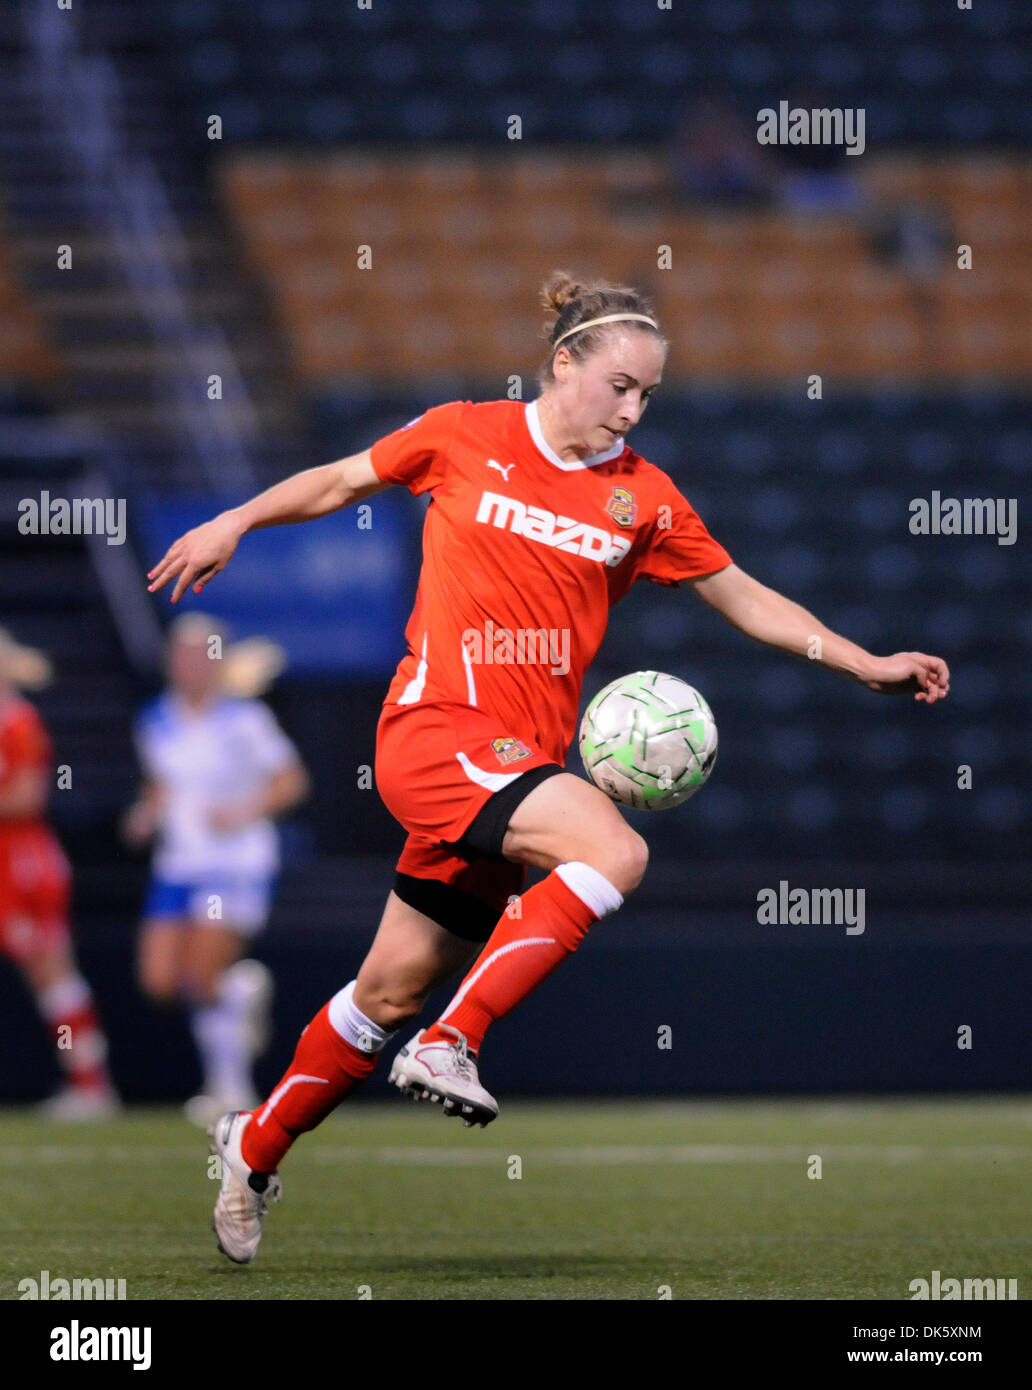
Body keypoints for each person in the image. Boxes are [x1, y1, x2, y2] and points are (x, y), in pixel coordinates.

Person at [147, 271, 950, 1263]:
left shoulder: (642, 498)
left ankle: (253, 1144)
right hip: (433, 730)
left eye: (647, 394)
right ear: (563, 362)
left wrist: (864, 659)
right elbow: (343, 479)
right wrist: (238, 520)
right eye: (619, 384)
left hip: (516, 774)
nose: (631, 407)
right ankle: (455, 1041)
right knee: (613, 849)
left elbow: (744, 597)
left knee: (388, 993)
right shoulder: (462, 433)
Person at [123, 614, 309, 1127]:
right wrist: (147, 813)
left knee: (199, 976)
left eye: (198, 653)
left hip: (234, 865)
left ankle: (228, 1087)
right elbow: (162, 786)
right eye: (179, 654)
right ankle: (242, 990)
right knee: (161, 981)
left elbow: (290, 782)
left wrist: (244, 811)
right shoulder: (155, 720)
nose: (187, 664)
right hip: (178, 864)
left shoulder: (245, 719)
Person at [0, 628, 118, 1119]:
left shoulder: (16, 720)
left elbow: (29, 796)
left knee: (50, 970)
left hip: (21, 860)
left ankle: (92, 1086)